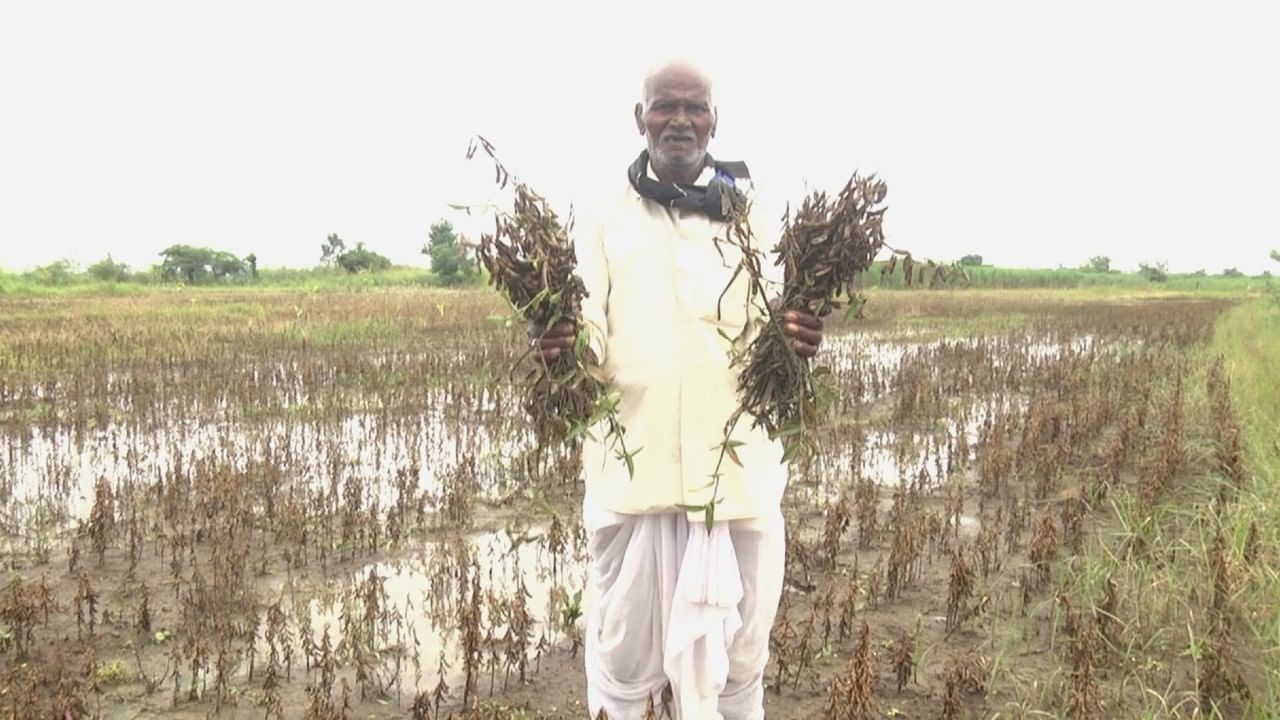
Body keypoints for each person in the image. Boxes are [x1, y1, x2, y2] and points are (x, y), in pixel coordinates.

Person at [533, 60, 824, 720]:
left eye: (695, 108)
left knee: (739, 665)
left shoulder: (758, 215)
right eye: (665, 107)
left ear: (715, 121)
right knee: (622, 664)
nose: (680, 120)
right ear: (640, 119)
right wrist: (564, 346)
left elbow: (779, 322)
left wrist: (799, 335)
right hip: (631, 483)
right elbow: (590, 324)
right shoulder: (604, 216)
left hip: (739, 482)